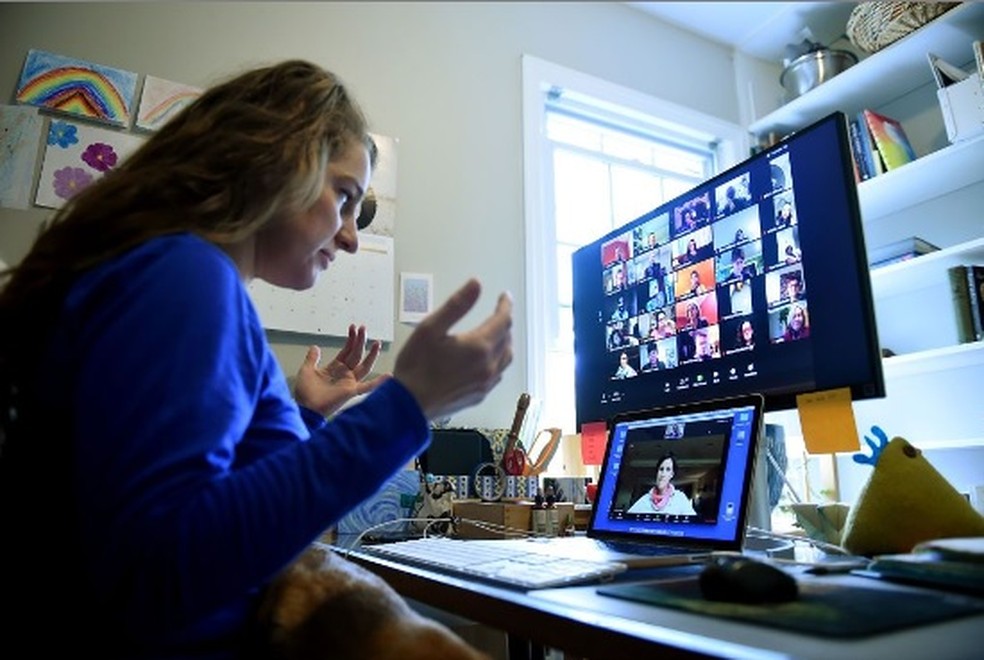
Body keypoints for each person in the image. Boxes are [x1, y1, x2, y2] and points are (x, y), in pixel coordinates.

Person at [0, 60, 513, 658]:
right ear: (274, 161)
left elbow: (235, 510)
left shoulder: (185, 277)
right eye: (344, 197)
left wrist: (307, 418)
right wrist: (408, 406)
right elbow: (163, 572)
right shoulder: (184, 275)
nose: (350, 235)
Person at [626, 452, 696, 515]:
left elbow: (693, 524)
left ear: (672, 474)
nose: (663, 474)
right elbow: (627, 520)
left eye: (668, 469)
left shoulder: (680, 498)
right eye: (661, 469)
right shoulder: (645, 499)